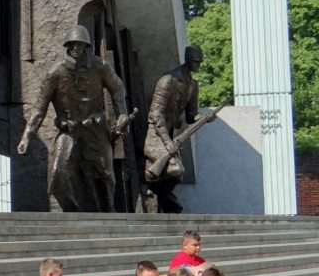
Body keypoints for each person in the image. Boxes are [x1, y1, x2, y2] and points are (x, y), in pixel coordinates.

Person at [16, 25, 130, 212]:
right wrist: (27, 136)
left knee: (106, 174)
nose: (76, 48)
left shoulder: (100, 66)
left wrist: (122, 113)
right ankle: (73, 213)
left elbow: (117, 88)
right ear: (67, 45)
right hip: (69, 130)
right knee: (58, 173)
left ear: (86, 45)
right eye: (72, 44)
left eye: (80, 44)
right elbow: (39, 108)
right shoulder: (55, 73)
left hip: (95, 128)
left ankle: (109, 212)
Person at [143, 45, 212, 213]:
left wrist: (204, 118)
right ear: (188, 59)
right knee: (176, 169)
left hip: (171, 135)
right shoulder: (168, 80)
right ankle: (153, 186)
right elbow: (155, 115)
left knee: (176, 174)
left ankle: (159, 194)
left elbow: (191, 116)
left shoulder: (193, 86)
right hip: (156, 136)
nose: (198, 65)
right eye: (196, 61)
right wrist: (168, 144)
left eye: (200, 62)